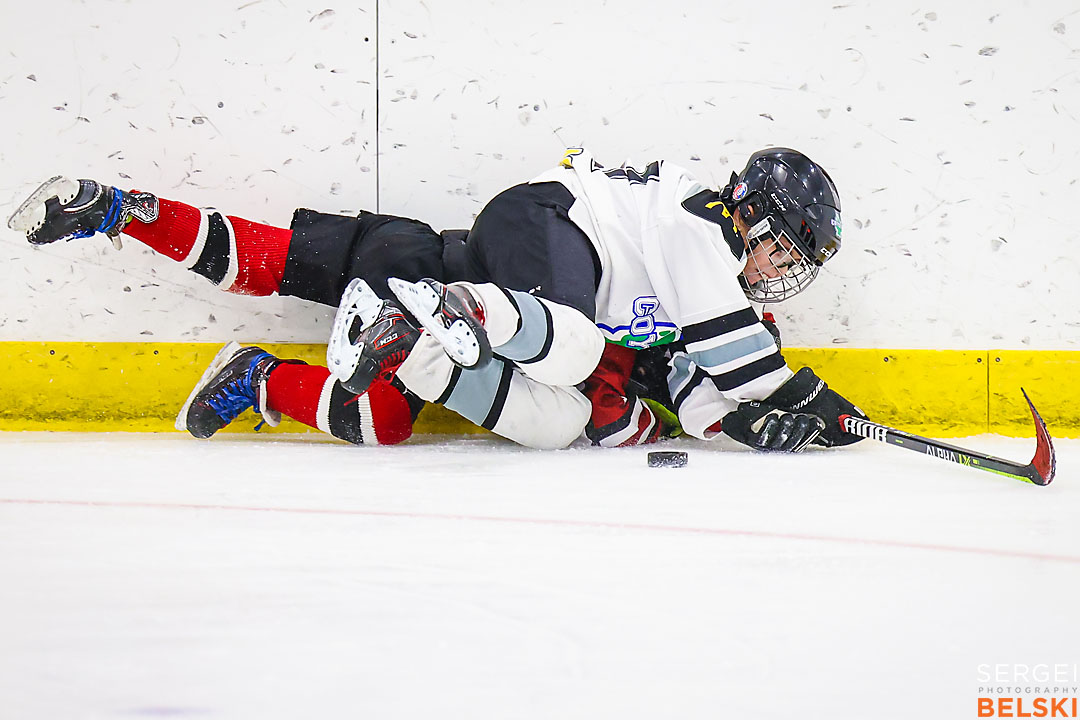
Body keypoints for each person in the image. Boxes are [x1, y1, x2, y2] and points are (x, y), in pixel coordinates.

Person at [9, 147, 866, 451]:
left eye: (797, 259)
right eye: (783, 244)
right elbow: (741, 365)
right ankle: (449, 311)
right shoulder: (699, 227)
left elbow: (705, 391)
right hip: (534, 229)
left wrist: (760, 428)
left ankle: (259, 377)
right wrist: (823, 406)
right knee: (568, 354)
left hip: (427, 256)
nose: (778, 267)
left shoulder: (713, 297)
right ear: (749, 214)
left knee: (381, 418)